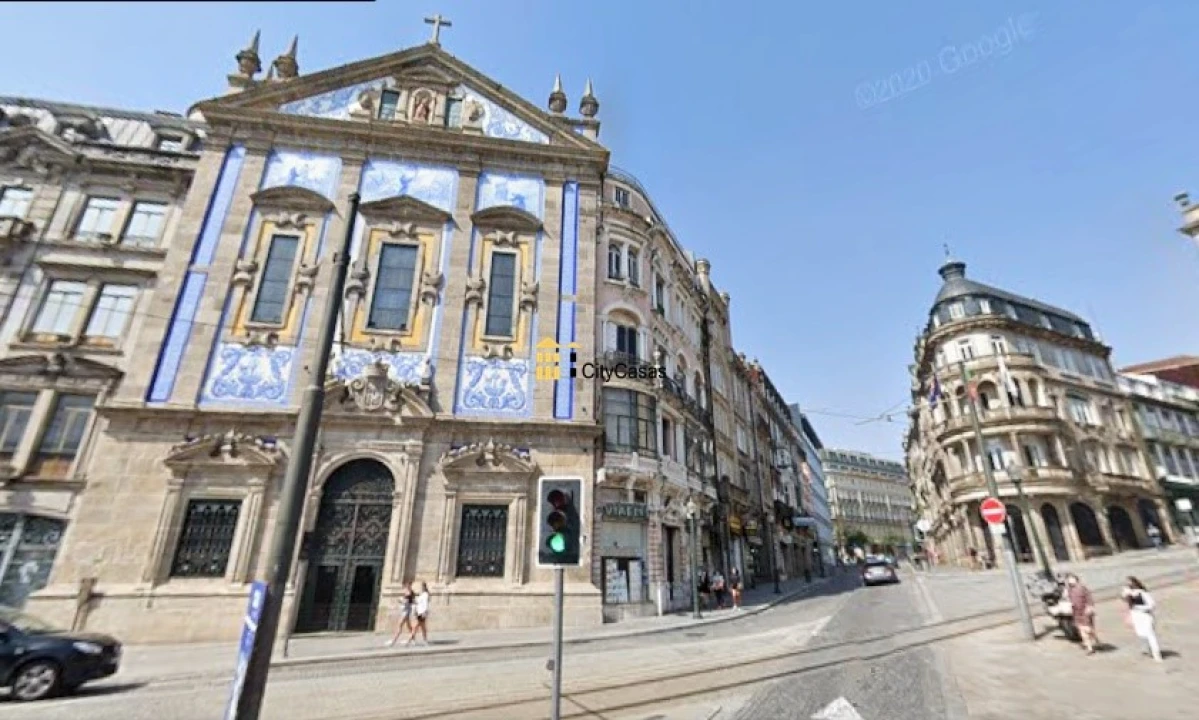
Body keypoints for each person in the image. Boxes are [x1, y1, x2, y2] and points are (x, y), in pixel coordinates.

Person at [1121, 577, 1162, 662]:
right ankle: (1148, 649)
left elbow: (1152, 605)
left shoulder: (1142, 593)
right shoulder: (1129, 593)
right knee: (1141, 633)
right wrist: (1126, 594)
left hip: (1145, 615)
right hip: (1136, 616)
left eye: (1130, 583)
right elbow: (1125, 602)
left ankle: (1156, 652)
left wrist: (1139, 607)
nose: (1128, 585)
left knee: (1150, 633)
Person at [1065, 573, 1099, 654]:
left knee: (1088, 629)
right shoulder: (1069, 590)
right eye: (1069, 579)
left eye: (1071, 579)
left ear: (1076, 579)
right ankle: (1090, 648)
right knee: (1082, 630)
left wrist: (1090, 606)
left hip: (1085, 611)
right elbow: (1069, 599)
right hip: (1076, 612)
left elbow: (1089, 598)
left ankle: (1094, 636)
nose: (1070, 581)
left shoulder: (1082, 588)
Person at [385, 583, 416, 647]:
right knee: (409, 626)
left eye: (405, 588)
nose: (404, 589)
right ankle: (412, 639)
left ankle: (393, 641)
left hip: (405, 612)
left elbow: (406, 602)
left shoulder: (408, 594)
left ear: (408, 588)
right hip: (406, 611)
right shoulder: (410, 594)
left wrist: (400, 600)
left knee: (399, 626)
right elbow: (412, 602)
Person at [406, 581, 430, 646]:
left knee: (415, 627)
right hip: (420, 612)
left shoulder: (425, 594)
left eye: (422, 586)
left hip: (422, 613)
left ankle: (409, 640)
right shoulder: (422, 594)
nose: (421, 588)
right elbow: (417, 601)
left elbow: (425, 604)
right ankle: (425, 641)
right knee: (423, 627)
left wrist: (424, 612)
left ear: (424, 587)